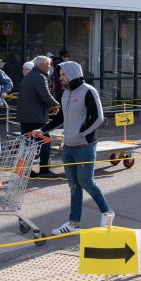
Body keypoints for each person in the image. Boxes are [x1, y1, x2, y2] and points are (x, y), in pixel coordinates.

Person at [41, 61, 114, 235]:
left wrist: (81, 132)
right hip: (68, 146)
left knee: (86, 182)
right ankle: (73, 223)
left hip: (85, 145)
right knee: (74, 186)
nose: (61, 78)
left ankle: (107, 212)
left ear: (73, 73)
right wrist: (42, 129)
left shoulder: (88, 91)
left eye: (63, 75)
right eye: (59, 76)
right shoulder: (65, 94)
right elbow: (60, 118)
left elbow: (98, 118)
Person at [18, 56, 59, 177]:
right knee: (45, 141)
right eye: (49, 65)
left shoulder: (29, 76)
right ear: (41, 66)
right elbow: (46, 97)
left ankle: (25, 170)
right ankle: (44, 170)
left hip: (25, 117)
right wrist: (58, 106)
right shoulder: (39, 77)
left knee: (28, 145)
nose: (50, 67)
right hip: (35, 116)